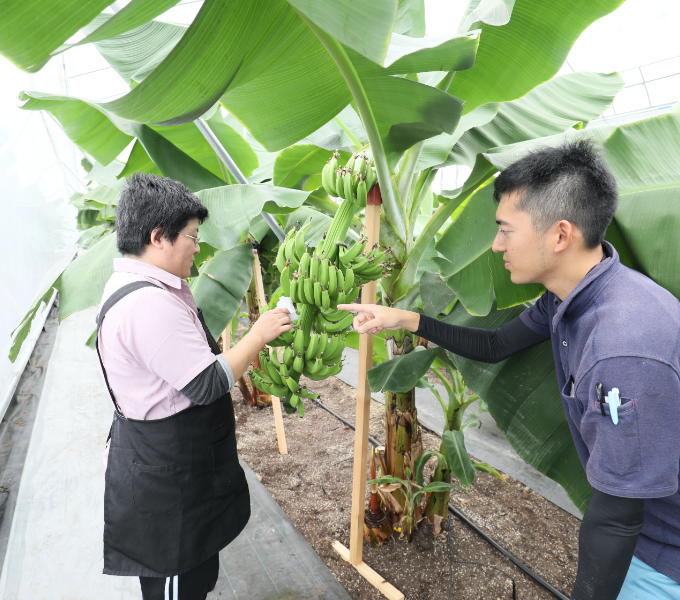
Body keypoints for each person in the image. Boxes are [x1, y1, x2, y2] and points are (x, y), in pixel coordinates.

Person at [339, 141, 680, 600]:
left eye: (505, 230)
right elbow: (497, 344)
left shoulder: (622, 348)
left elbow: (617, 516)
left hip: (662, 557)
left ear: (560, 235)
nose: (496, 245)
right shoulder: (573, 294)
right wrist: (406, 319)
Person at [95, 173, 292, 600]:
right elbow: (205, 384)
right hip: (168, 477)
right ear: (158, 237)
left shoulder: (147, 286)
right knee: (178, 582)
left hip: (174, 460)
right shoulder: (147, 304)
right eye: (192, 236)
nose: (198, 246)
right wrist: (258, 335)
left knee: (195, 577)